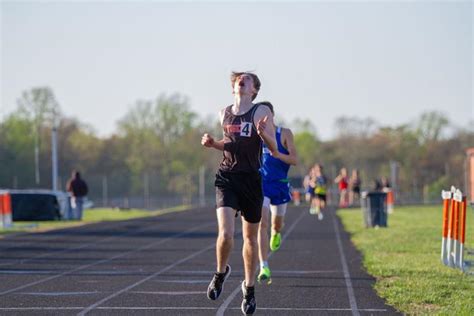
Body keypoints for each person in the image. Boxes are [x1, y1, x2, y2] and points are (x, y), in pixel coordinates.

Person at [201, 72, 278, 315]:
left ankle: (249, 288)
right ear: (234, 86)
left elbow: (274, 148)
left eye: (247, 79)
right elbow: (229, 142)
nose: (241, 81)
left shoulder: (261, 112)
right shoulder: (224, 112)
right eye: (238, 78)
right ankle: (220, 272)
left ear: (254, 89)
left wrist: (263, 133)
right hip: (227, 177)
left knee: (250, 238)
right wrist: (213, 144)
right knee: (225, 233)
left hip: (251, 179)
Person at [256, 101, 298, 284]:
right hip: (262, 184)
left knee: (276, 223)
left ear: (272, 114)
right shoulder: (256, 135)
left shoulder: (285, 133)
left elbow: (294, 159)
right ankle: (264, 264)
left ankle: (276, 232)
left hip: (280, 184)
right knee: (261, 223)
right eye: (258, 114)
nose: (263, 117)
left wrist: (278, 155)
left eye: (266, 114)